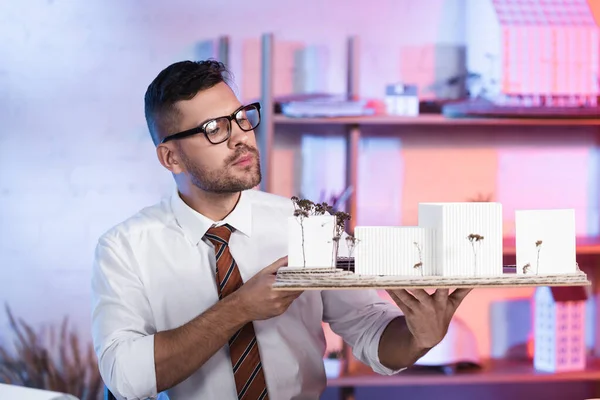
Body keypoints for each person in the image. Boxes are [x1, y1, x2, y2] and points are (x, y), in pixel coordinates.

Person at [91, 60, 471, 400]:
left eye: (241, 117)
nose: (241, 135)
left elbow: (371, 332)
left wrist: (420, 337)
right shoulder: (125, 248)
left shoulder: (309, 223)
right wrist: (238, 309)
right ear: (171, 157)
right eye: (214, 129)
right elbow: (125, 377)